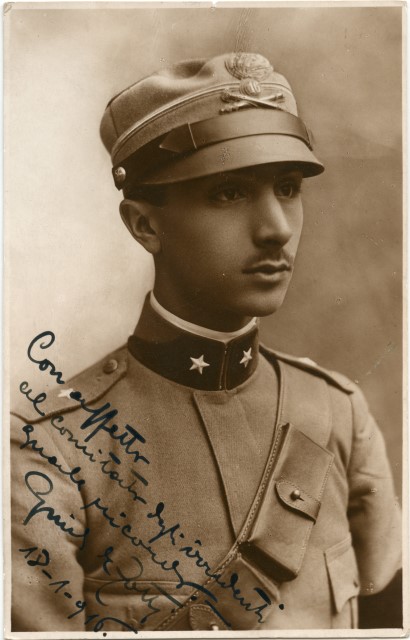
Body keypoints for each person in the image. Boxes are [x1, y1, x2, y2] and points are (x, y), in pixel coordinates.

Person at [10, 52, 401, 632]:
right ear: (145, 225)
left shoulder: (337, 413)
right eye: (228, 193)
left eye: (288, 188)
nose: (277, 228)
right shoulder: (53, 448)